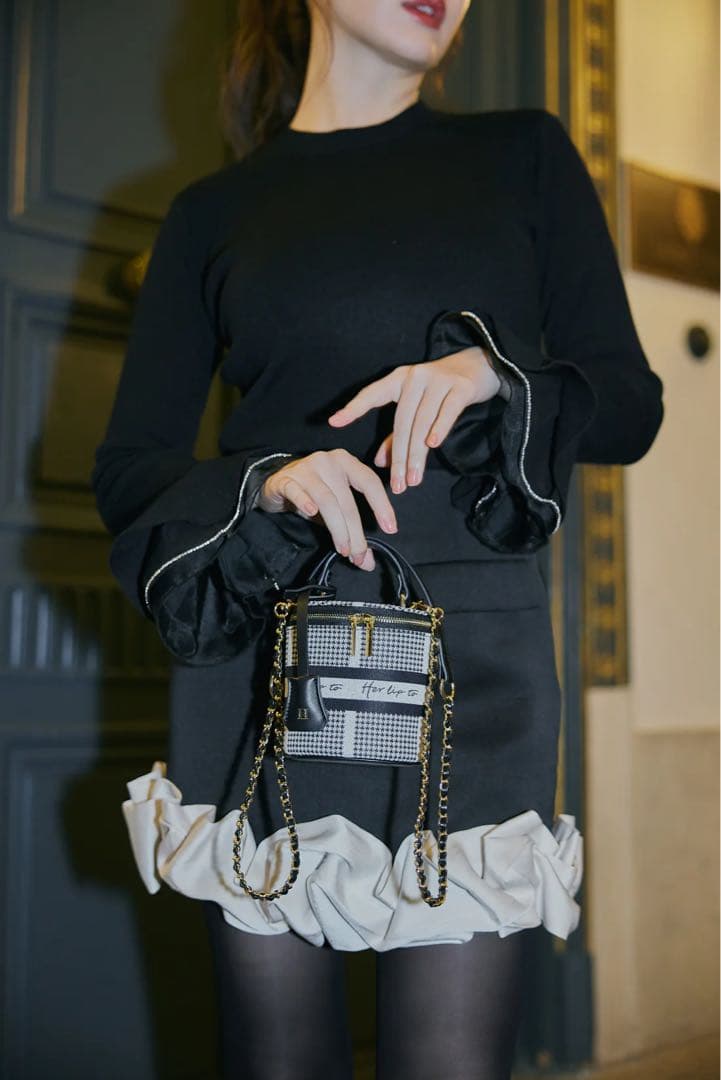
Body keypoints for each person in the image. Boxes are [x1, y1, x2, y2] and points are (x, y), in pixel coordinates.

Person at [92, 1, 664, 1077]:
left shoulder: (524, 154)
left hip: (473, 669)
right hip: (266, 666)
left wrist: (495, 374)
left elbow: (628, 404)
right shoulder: (212, 212)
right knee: (276, 1060)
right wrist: (266, 482)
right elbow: (130, 467)